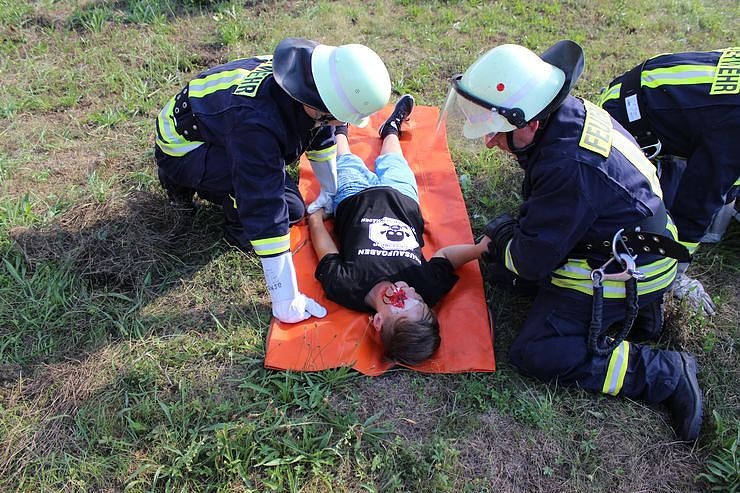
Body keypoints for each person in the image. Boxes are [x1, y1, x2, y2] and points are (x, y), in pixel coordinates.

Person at [438, 40, 703, 441]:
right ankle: (641, 318)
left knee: (537, 350)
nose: (490, 141)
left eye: (496, 130)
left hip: (630, 267)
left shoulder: (568, 165)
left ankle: (663, 373)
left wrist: (501, 241)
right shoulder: (567, 117)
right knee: (503, 260)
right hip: (637, 241)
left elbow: (530, 262)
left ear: (530, 124)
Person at [154, 37, 391, 324]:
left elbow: (322, 136)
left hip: (213, 125)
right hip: (184, 148)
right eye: (338, 118)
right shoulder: (257, 123)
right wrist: (285, 299)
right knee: (278, 209)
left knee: (293, 207)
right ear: (318, 107)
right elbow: (262, 203)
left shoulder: (307, 78)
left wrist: (330, 191)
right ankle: (206, 201)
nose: (341, 125)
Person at [307, 95, 490, 366]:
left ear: (378, 321)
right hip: (401, 199)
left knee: (344, 160)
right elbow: (446, 257)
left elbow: (327, 252)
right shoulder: (427, 286)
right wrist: (478, 250)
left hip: (353, 198)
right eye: (420, 300)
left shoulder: (347, 287)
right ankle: (391, 129)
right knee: (394, 160)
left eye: (404, 301)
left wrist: (315, 220)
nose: (411, 291)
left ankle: (341, 128)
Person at [598, 47, 740, 316]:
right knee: (655, 219)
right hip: (624, 124)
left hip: (646, 92)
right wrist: (677, 269)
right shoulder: (735, 122)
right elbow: (699, 197)